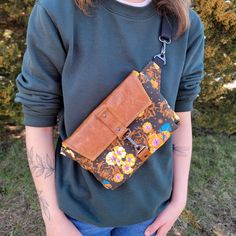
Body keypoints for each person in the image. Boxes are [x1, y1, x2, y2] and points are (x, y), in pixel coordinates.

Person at [14, 0, 205, 235]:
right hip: (80, 213)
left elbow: (181, 114)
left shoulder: (185, 24)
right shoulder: (57, 10)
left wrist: (179, 200)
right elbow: (38, 118)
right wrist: (51, 215)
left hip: (150, 212)